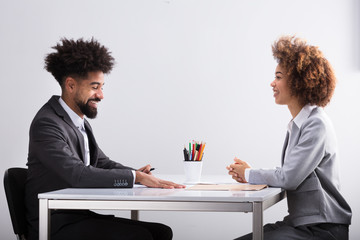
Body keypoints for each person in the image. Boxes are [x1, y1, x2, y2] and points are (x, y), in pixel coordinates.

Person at [25, 37, 185, 240]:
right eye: (94, 87)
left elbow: (102, 163)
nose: (101, 95)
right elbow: (78, 175)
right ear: (71, 85)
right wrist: (136, 178)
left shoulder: (78, 122)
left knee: (161, 233)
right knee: (139, 236)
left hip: (78, 216)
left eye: (102, 86)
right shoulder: (47, 124)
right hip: (54, 224)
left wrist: (135, 174)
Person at [227, 36, 352, 240]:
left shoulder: (315, 124)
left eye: (278, 77)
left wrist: (250, 173)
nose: (272, 83)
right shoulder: (299, 124)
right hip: (301, 223)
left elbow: (289, 178)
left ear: (299, 81)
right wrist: (250, 173)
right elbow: (290, 173)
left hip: (323, 228)